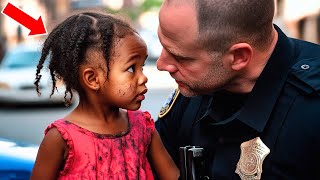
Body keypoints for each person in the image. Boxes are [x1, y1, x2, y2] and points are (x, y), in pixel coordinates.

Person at [155, 0, 320, 179]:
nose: (161, 64)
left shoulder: (312, 112)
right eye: (163, 47)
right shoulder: (193, 89)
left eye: (181, 57)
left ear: (239, 56)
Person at [30, 11, 179, 180]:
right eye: (131, 68)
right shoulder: (59, 139)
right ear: (93, 79)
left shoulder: (143, 127)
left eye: (142, 67)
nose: (143, 77)